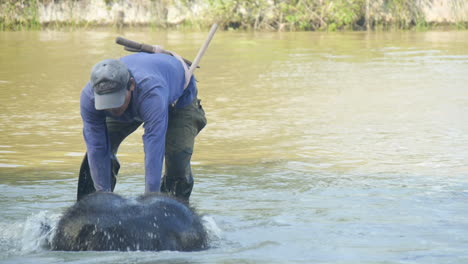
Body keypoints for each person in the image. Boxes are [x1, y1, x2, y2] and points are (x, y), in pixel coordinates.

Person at [76, 52, 207, 202]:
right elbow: (97, 147)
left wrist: (150, 201)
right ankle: (90, 209)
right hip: (137, 102)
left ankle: (171, 210)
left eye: (116, 100)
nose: (112, 107)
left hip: (178, 100)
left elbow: (154, 149)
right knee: (97, 156)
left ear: (131, 85)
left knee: (177, 157)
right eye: (107, 102)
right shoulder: (89, 98)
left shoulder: (151, 92)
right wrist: (103, 198)